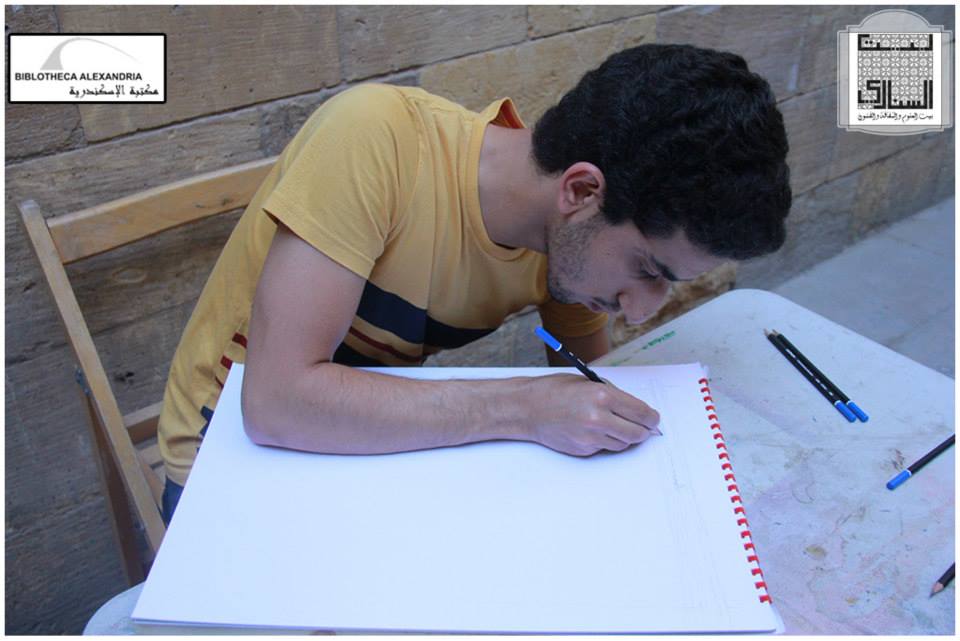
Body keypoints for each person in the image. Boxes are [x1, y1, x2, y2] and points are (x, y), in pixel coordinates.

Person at [157, 43, 791, 522]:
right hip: (228, 455)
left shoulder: (567, 246)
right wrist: (522, 406)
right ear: (581, 191)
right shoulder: (376, 139)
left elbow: (590, 379)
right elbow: (277, 404)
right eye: (648, 270)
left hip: (371, 444)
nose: (642, 310)